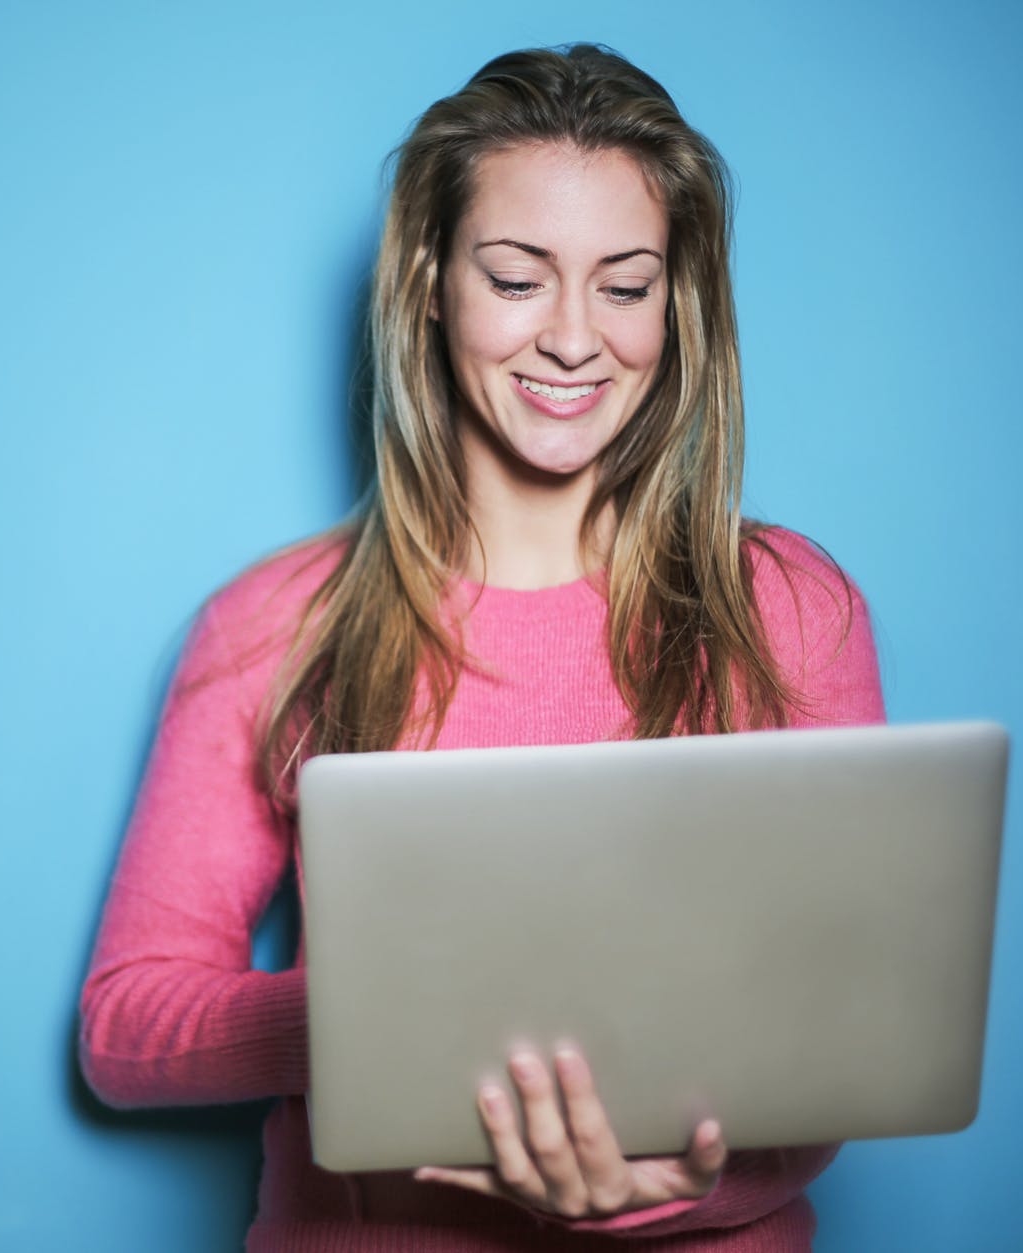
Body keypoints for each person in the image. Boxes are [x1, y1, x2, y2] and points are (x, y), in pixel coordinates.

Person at [79, 43, 885, 1251]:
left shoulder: (787, 608)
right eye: (517, 278)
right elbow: (124, 1026)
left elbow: (854, 1024)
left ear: (680, 304)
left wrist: (665, 1185)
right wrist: (367, 1021)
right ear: (428, 280)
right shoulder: (270, 624)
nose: (573, 338)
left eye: (624, 286)